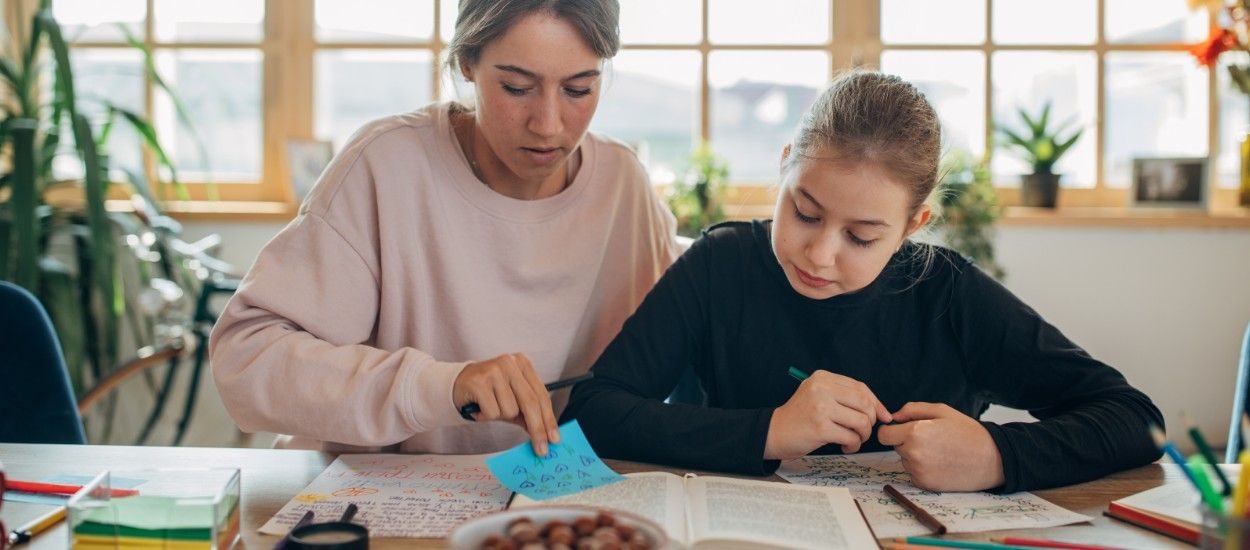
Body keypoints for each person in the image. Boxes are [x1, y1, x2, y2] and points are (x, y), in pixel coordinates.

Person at [562, 71, 1163, 493]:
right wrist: (770, 430)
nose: (820, 255)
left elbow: (1135, 419)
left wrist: (997, 454)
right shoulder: (722, 266)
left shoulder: (948, 294)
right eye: (805, 212)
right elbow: (595, 412)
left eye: (862, 237)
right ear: (785, 164)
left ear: (912, 225)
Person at [210, 0, 679, 457]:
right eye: (517, 87)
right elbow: (246, 361)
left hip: (547, 505)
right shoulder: (386, 165)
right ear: (467, 62)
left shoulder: (623, 187)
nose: (548, 124)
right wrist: (443, 386)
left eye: (578, 89)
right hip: (369, 501)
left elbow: (691, 339)